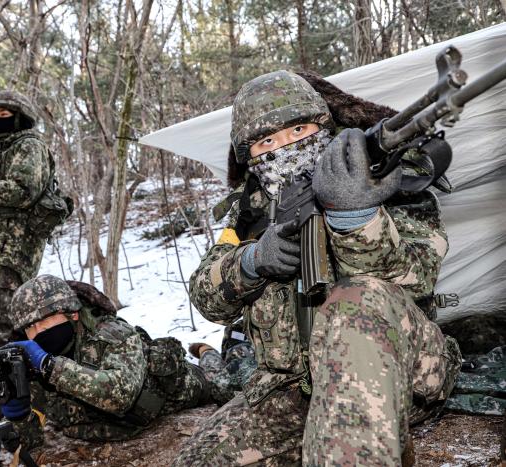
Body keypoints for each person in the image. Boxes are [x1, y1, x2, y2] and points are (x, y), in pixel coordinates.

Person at [173, 70, 462, 466]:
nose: (286, 147)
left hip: (400, 373)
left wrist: (355, 217)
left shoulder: (384, 183)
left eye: (298, 129)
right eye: (267, 142)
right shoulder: (248, 213)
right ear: (249, 155)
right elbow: (206, 297)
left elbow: (414, 279)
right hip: (295, 388)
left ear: (323, 126)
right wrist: (252, 262)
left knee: (354, 301)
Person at [0, 275, 216, 451]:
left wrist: (50, 366)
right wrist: (19, 416)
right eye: (30, 327)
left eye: (43, 320)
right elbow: (32, 444)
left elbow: (120, 395)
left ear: (72, 314)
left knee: (228, 382)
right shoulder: (32, 363)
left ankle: (212, 351)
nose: (37, 333)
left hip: (186, 387)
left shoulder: (113, 334)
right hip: (111, 429)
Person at [0, 91, 70, 358]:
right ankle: (3, 392)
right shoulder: (0, 151)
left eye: (4, 115)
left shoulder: (28, 146)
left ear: (20, 118)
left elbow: (24, 190)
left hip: (7, 252)